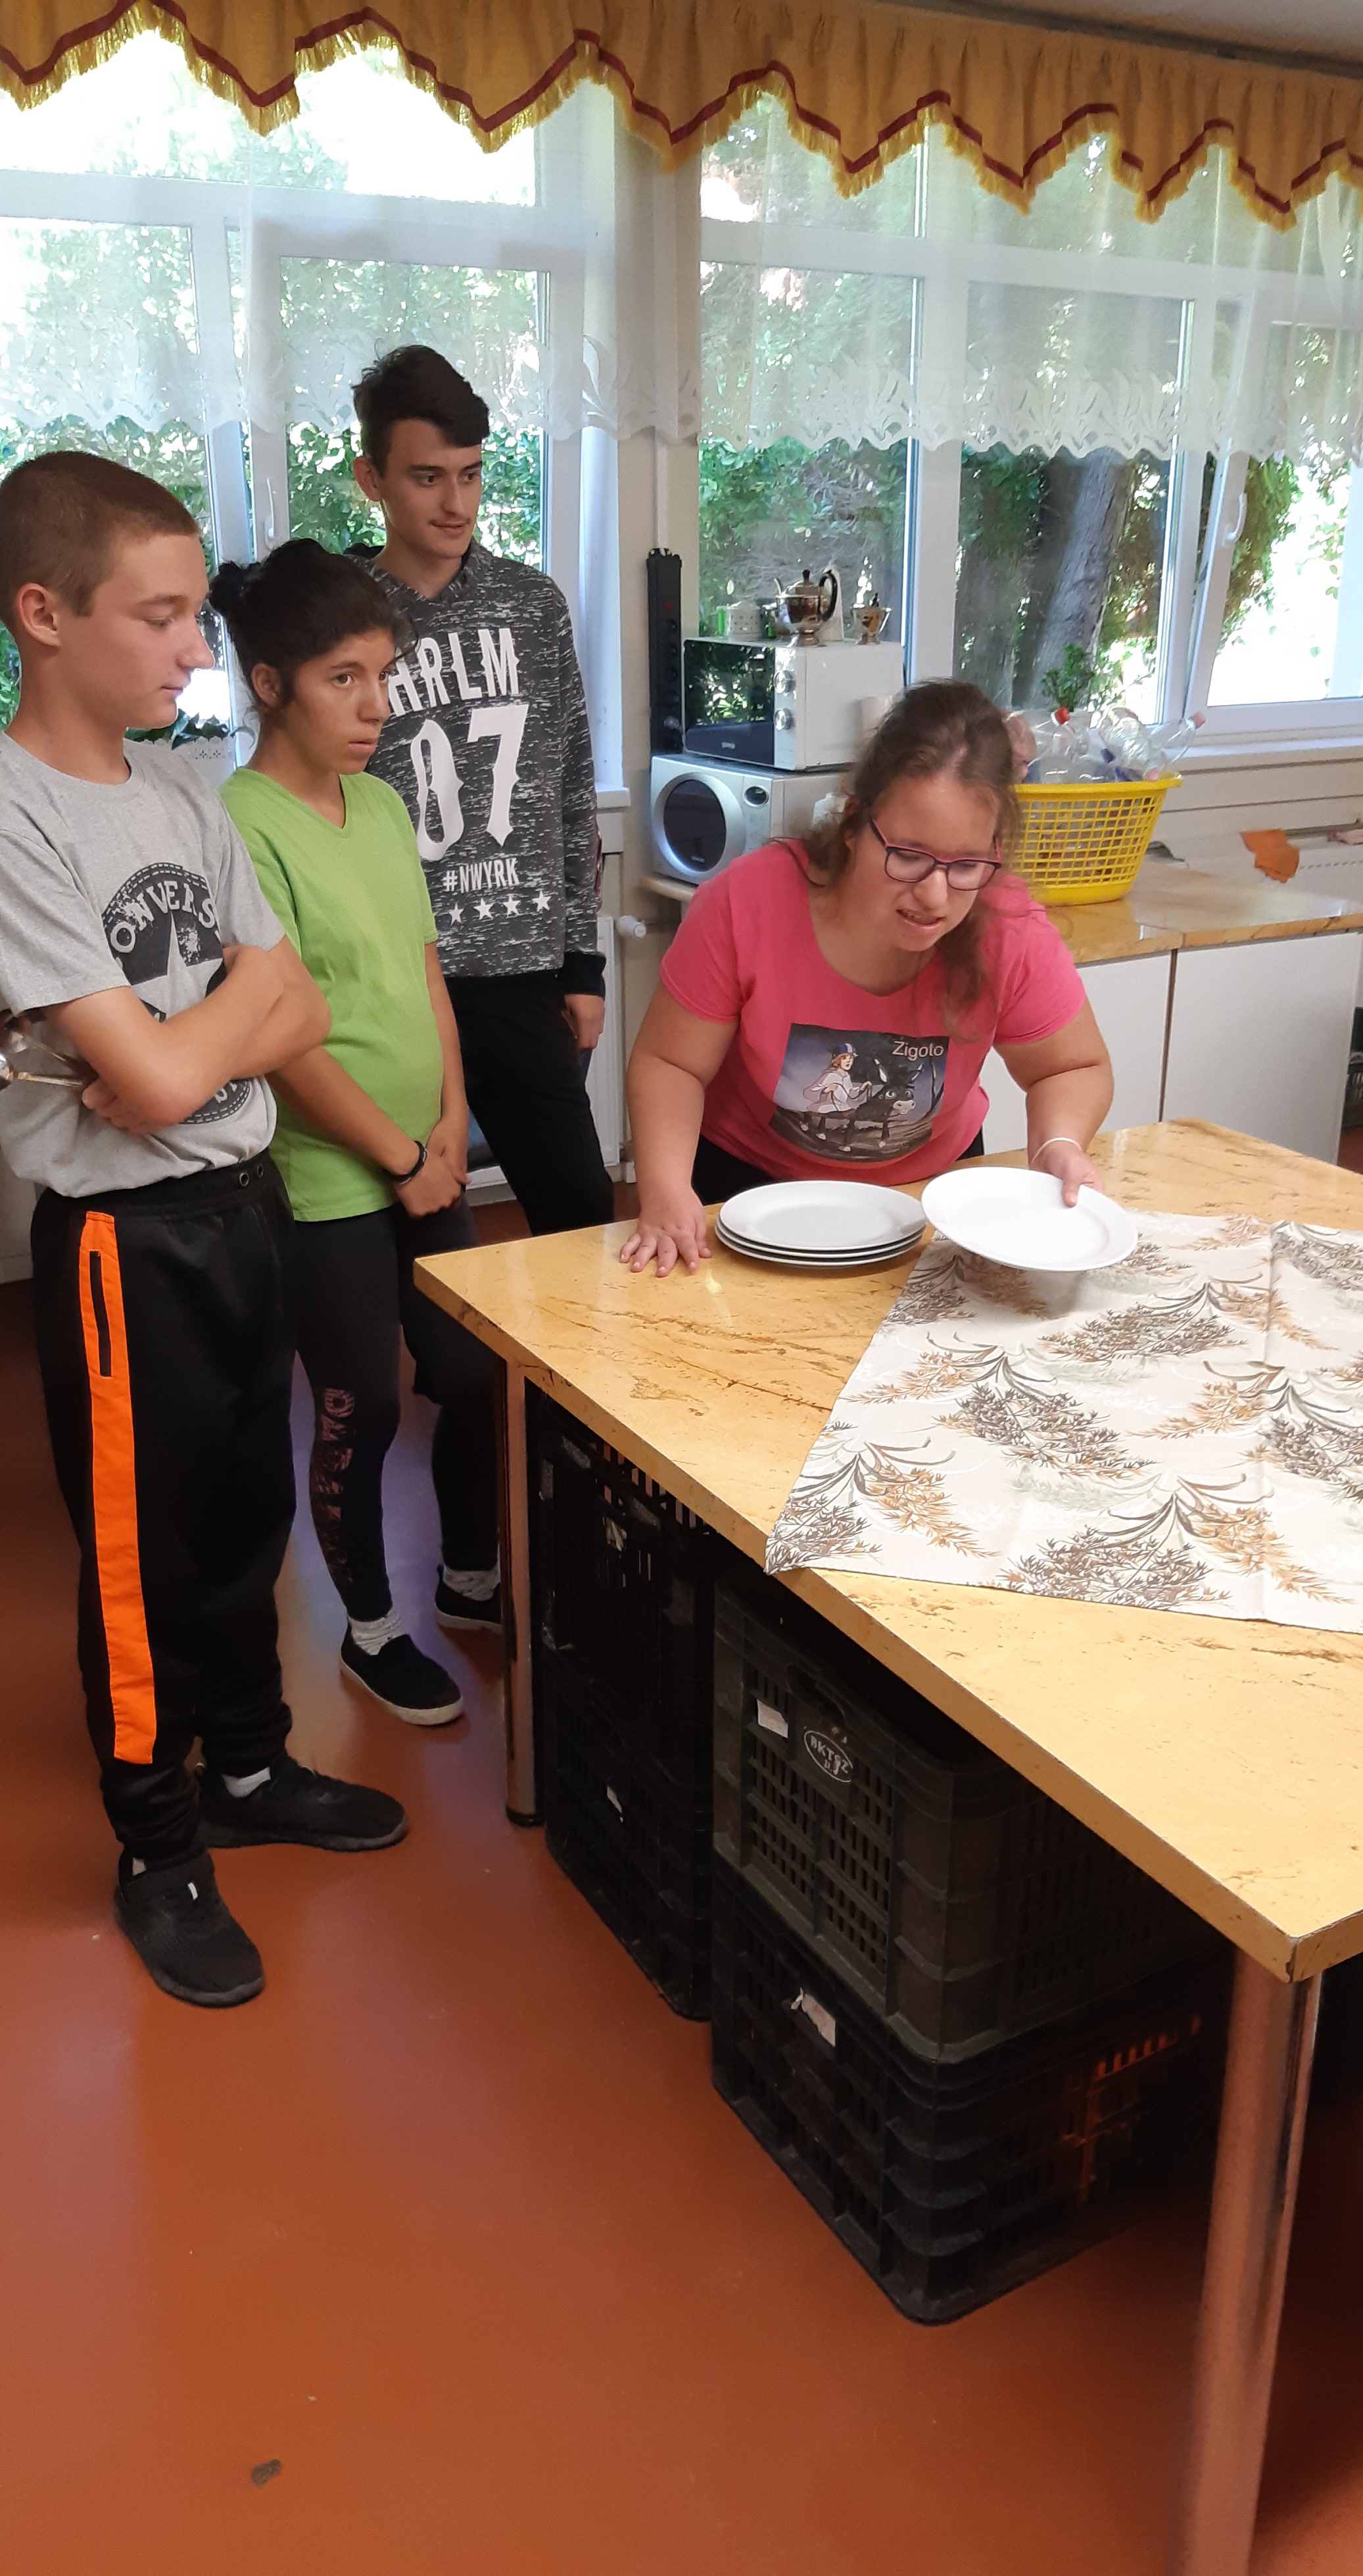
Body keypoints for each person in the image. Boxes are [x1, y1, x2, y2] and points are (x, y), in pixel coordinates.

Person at [0, 452, 408, 2011]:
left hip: (242, 1203)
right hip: (125, 1247)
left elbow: (280, 1008)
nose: (194, 648)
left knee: (249, 1514)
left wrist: (186, 1046)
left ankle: (247, 1767)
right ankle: (158, 1843)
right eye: (160, 615)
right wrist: (207, 1037)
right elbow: (203, 1047)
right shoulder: (15, 813)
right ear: (45, 614)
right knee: (140, 1562)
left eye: (195, 615)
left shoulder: (181, 789)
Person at [213, 540, 500, 1727]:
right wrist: (397, 1155)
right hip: (330, 1174)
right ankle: (371, 1628)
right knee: (360, 1406)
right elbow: (280, 1036)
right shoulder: (239, 823)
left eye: (384, 675)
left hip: (429, 1152)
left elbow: (426, 977)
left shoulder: (379, 803)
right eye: (345, 678)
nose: (377, 705)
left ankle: (470, 1577)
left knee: (476, 1373)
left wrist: (451, 1122)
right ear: (269, 682)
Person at [621, 681, 1112, 1276]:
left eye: (966, 865)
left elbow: (1070, 1065)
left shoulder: (1010, 929)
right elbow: (671, 1062)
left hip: (933, 1192)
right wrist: (666, 1187)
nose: (934, 895)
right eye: (908, 855)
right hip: (751, 1186)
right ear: (854, 824)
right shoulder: (746, 903)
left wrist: (1059, 1143)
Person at [347, 343, 613, 1237]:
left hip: (521, 972)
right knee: (424, 1231)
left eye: (470, 474)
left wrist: (582, 964)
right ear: (372, 479)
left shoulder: (533, 605)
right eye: (426, 478)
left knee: (581, 1216)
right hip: (397, 982)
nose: (455, 503)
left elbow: (571, 789)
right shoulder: (341, 618)